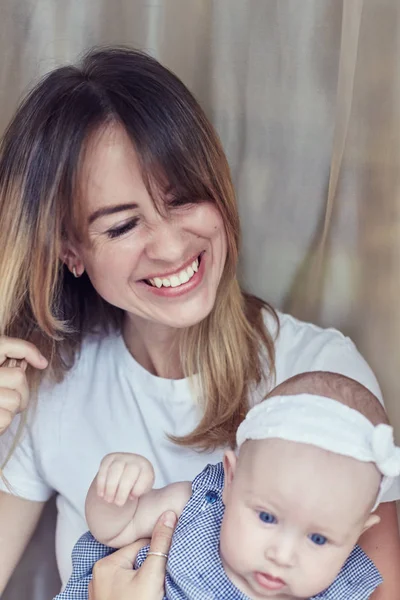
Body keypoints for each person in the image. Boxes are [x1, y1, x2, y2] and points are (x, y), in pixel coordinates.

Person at [0, 46, 399, 598]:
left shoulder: (324, 387)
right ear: (71, 250)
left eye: (184, 198)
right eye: (122, 226)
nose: (169, 246)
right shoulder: (49, 387)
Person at [55, 372, 399, 599]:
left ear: (357, 533)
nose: (281, 555)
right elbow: (113, 530)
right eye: (266, 517)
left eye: (319, 538)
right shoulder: (195, 509)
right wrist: (117, 495)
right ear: (230, 479)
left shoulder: (345, 590)